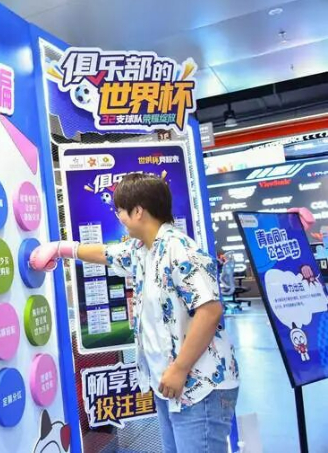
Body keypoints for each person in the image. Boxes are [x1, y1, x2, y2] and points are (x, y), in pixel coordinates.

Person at [30, 173, 239, 453]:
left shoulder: (179, 250)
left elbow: (210, 311)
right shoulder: (143, 250)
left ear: (138, 211)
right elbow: (106, 253)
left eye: (120, 211)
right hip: (170, 385)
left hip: (199, 385)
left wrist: (179, 369)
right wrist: (61, 249)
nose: (119, 217)